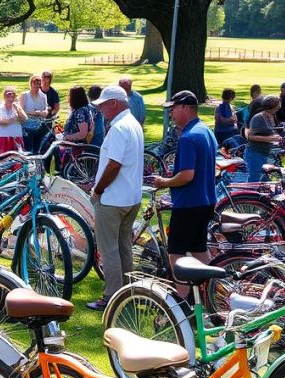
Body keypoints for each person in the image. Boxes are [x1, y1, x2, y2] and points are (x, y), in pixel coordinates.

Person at [152, 91, 218, 297]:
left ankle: (181, 302)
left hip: (189, 204)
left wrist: (165, 182)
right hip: (206, 202)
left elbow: (187, 175)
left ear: (186, 108)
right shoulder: (206, 131)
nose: (171, 113)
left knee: (176, 254)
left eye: (174, 108)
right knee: (199, 250)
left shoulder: (188, 138)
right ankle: (216, 293)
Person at [86, 85, 145, 311]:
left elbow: (114, 164)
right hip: (130, 197)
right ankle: (127, 292)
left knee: (109, 249)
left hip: (113, 199)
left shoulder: (119, 127)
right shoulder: (133, 124)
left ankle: (111, 296)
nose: (101, 109)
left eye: (103, 105)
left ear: (114, 103)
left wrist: (98, 190)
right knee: (124, 247)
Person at [244, 95, 283, 183]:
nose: (278, 109)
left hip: (264, 153)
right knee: (255, 180)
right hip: (255, 153)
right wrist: (269, 139)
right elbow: (250, 136)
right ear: (271, 107)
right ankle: (248, 196)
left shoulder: (269, 116)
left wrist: (276, 137)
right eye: (277, 107)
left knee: (265, 181)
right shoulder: (258, 118)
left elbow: (268, 132)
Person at [19, 75, 50, 153]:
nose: (37, 85)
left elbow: (45, 111)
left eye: (39, 83)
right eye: (35, 83)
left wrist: (43, 113)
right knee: (29, 151)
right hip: (26, 128)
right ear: (31, 83)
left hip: (39, 127)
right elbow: (20, 111)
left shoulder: (43, 96)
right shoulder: (24, 95)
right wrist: (34, 113)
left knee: (38, 150)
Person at [0, 85, 27, 154]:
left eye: (13, 95)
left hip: (16, 136)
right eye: (8, 95)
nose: (10, 97)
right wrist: (15, 118)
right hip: (3, 137)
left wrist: (18, 110)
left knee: (18, 161)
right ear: (4, 96)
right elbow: (1, 122)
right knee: (3, 160)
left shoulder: (17, 107)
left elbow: (24, 119)